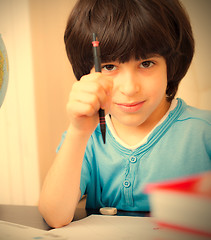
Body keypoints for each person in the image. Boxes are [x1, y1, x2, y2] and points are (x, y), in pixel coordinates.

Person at [38, 0, 211, 228]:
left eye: (146, 63)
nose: (129, 88)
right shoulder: (85, 137)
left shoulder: (204, 132)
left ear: (172, 64)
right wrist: (78, 131)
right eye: (109, 67)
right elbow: (54, 215)